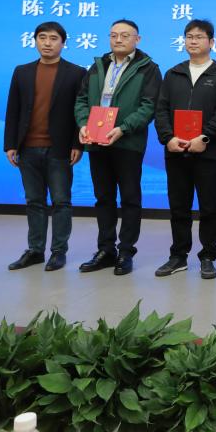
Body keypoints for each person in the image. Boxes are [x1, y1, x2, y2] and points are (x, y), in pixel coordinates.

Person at [74, 19, 161, 276]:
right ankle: (105, 250)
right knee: (103, 198)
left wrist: (123, 128)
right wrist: (83, 124)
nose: (118, 40)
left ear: (137, 39)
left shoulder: (148, 68)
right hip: (96, 141)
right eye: (113, 35)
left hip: (127, 142)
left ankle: (126, 252)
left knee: (130, 198)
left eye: (125, 35)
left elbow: (149, 106)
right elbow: (81, 100)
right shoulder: (98, 65)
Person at [152, 19, 216, 280]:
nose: (193, 41)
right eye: (189, 36)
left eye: (199, 37)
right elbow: (161, 109)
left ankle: (208, 256)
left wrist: (205, 137)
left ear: (212, 42)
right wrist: (168, 138)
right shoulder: (173, 73)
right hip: (176, 151)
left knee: (208, 207)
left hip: (207, 152)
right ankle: (178, 256)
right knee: (179, 206)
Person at [3, 21, 87, 272]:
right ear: (35, 41)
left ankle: (59, 252)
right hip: (27, 148)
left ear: (63, 43)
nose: (47, 43)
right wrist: (10, 144)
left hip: (59, 148)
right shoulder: (22, 72)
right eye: (42, 37)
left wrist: (77, 143)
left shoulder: (76, 73)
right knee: (34, 201)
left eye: (53, 38)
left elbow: (80, 111)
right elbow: (13, 109)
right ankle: (35, 250)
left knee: (61, 202)